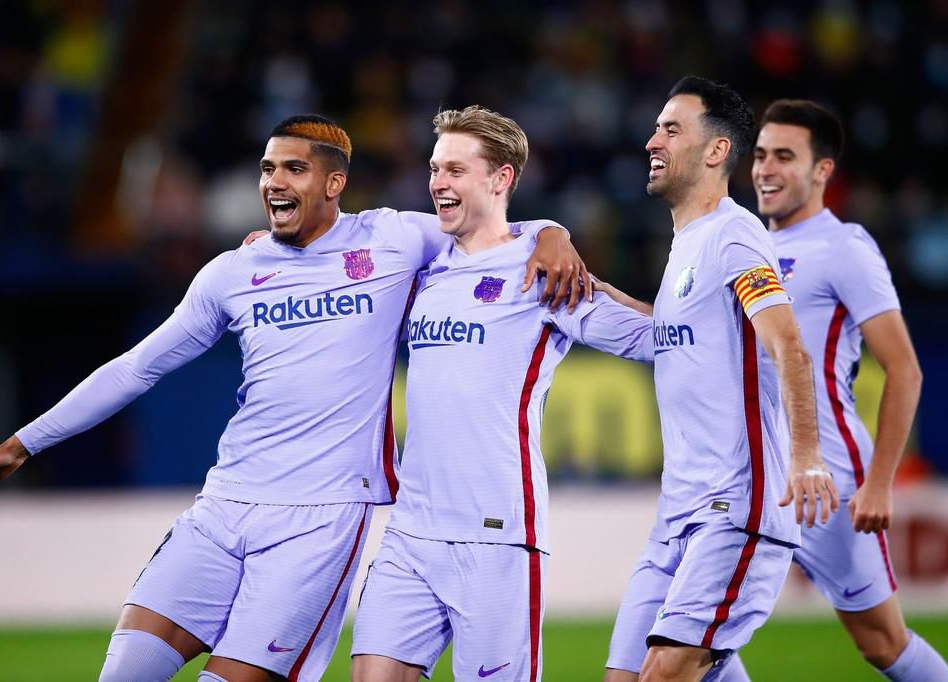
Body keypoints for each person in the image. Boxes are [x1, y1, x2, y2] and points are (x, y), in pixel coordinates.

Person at [0, 114, 585, 682]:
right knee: (125, 670)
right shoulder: (233, 271)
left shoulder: (393, 239)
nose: (275, 181)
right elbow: (137, 367)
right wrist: (23, 444)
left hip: (322, 520)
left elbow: (488, 225)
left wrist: (551, 231)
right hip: (223, 506)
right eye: (268, 168)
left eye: (294, 169)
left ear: (334, 183)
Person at [349, 106, 654, 682]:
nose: (438, 183)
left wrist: (734, 313)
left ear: (501, 178)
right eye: (435, 169)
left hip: (496, 535)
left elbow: (652, 338)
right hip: (410, 533)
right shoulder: (424, 269)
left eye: (455, 170)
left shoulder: (542, 273)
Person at [601, 77, 837, 682]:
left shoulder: (734, 235)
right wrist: (595, 293)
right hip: (677, 513)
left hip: (734, 508)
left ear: (716, 150)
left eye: (670, 129)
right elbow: (674, 332)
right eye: (655, 128)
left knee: (664, 672)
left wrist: (806, 456)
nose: (652, 142)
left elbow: (787, 344)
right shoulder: (688, 243)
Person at [751, 99, 946, 681]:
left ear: (822, 170)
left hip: (828, 479)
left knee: (881, 642)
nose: (765, 169)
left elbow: (905, 369)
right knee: (696, 627)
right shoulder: (744, 244)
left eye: (784, 156)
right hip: (754, 473)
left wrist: (880, 482)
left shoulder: (844, 248)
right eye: (760, 155)